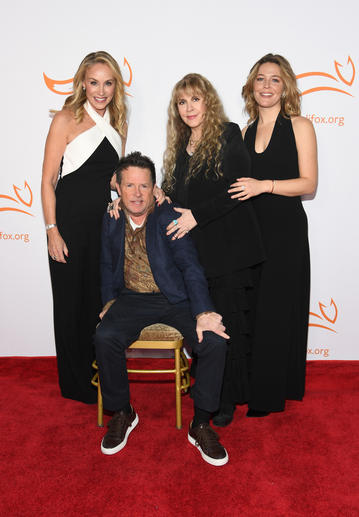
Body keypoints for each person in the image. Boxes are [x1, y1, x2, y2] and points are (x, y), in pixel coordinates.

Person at [94, 152, 229, 466]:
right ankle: (123, 412)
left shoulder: (167, 215)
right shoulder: (111, 218)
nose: (137, 193)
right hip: (130, 300)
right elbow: (106, 264)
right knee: (104, 337)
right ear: (118, 187)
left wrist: (203, 311)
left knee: (214, 342)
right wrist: (108, 302)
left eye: (144, 186)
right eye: (130, 186)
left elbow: (190, 266)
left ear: (155, 188)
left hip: (174, 299)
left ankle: (201, 424)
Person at [162, 73, 265, 426]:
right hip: (200, 254)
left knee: (228, 324)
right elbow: (177, 197)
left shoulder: (227, 133)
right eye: (181, 102)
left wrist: (196, 217)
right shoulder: (179, 146)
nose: (189, 108)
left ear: (208, 101)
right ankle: (209, 387)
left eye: (195, 99)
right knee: (206, 325)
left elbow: (237, 190)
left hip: (231, 250)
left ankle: (226, 400)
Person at [228, 53, 318, 416]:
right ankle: (250, 386)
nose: (266, 85)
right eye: (260, 79)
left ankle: (271, 393)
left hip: (286, 231)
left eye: (274, 80)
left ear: (286, 87)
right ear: (252, 86)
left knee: (278, 309)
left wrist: (265, 184)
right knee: (255, 312)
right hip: (253, 232)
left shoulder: (300, 125)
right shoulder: (245, 130)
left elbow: (309, 182)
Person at [41, 51, 127, 403]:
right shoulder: (65, 119)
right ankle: (76, 385)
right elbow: (48, 180)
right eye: (94, 82)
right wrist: (52, 229)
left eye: (108, 83)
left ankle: (99, 377)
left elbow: (108, 178)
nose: (101, 90)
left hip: (103, 227)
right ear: (82, 84)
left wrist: (143, 188)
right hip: (70, 225)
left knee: (97, 303)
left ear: (115, 86)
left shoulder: (118, 122)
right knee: (70, 304)